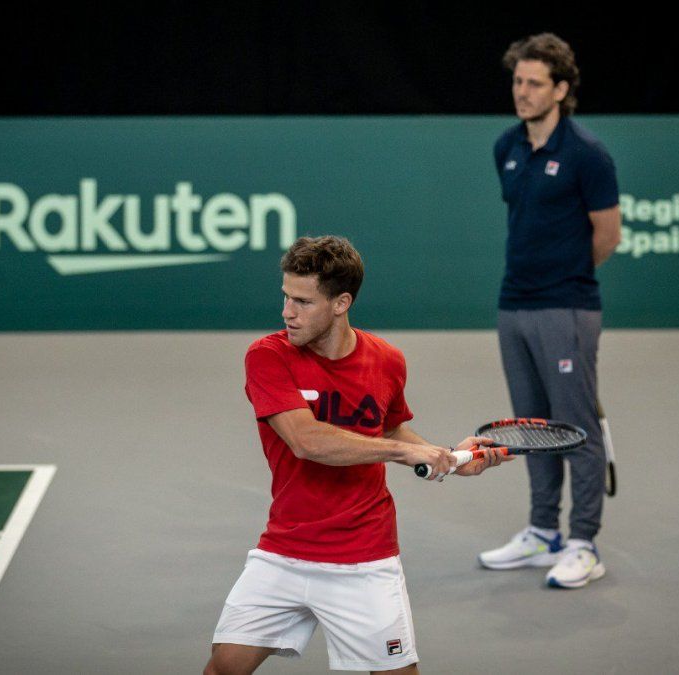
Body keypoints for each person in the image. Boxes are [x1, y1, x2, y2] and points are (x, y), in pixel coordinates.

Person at [205, 235, 510, 675]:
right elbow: (306, 441)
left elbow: (388, 427)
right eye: (286, 297)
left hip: (364, 557)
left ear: (341, 302)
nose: (286, 311)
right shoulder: (267, 357)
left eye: (303, 301)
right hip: (285, 548)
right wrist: (404, 452)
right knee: (224, 668)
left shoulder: (387, 360)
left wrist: (447, 457)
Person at [477, 33, 622, 589]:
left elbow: (606, 235)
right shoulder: (506, 147)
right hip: (513, 305)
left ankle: (584, 542)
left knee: (575, 428)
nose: (523, 91)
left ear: (561, 89)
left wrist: (563, 279)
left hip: (567, 309)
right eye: (518, 81)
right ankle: (543, 533)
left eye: (535, 83)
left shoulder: (588, 154)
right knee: (532, 428)